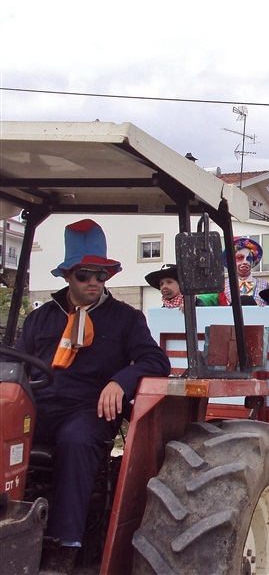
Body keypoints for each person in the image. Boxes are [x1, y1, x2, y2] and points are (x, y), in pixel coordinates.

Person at [13, 219, 170, 573]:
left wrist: (120, 381)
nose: (94, 283)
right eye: (85, 275)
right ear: (68, 275)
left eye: (102, 275)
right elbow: (16, 361)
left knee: (76, 440)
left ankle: (63, 548)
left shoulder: (126, 319)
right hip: (39, 406)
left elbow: (155, 360)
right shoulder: (41, 319)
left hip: (90, 409)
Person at [223, 237, 269, 307]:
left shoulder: (265, 285)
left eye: (249, 258)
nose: (245, 262)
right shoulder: (222, 286)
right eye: (240, 258)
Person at [145, 263, 209, 308]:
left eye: (169, 282)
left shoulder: (197, 305)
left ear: (181, 284)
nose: (164, 286)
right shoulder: (161, 313)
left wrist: (190, 311)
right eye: (161, 284)